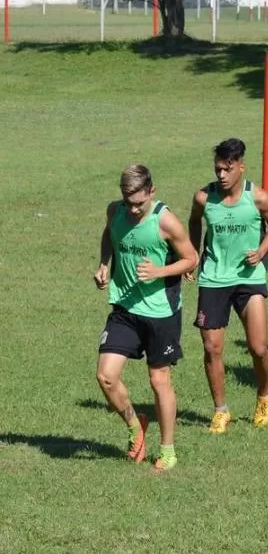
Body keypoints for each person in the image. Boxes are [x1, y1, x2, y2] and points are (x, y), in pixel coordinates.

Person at [94, 164, 198, 472]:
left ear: (151, 191)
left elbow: (191, 258)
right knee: (106, 377)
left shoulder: (165, 221)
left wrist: (159, 272)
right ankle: (134, 425)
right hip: (125, 308)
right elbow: (109, 235)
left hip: (160, 312)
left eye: (140, 202)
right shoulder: (116, 212)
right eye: (129, 203)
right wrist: (103, 264)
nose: (135, 209)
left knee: (158, 380)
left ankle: (167, 451)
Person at [188, 138, 268, 434]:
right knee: (212, 347)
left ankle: (265, 393)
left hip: (249, 279)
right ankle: (221, 410)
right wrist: (192, 255)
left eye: (228, 169)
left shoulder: (258, 198)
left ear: (241, 167)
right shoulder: (204, 198)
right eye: (218, 169)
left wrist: (262, 249)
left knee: (257, 348)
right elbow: (193, 223)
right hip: (214, 278)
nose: (221, 175)